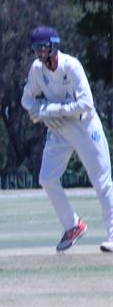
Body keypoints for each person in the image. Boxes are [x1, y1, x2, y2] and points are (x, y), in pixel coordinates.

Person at [22, 26, 113, 253]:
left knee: (101, 181)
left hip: (84, 127)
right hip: (59, 129)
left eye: (43, 48)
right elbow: (27, 100)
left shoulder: (71, 66)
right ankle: (73, 225)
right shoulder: (36, 70)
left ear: (54, 46)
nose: (40, 54)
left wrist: (52, 110)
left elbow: (86, 104)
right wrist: (43, 112)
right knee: (47, 178)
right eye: (36, 50)